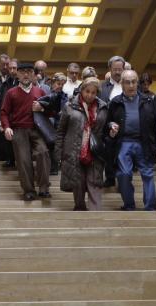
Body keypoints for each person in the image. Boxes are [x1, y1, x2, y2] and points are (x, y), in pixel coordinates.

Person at [106, 70, 156, 210]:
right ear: (122, 84)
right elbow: (108, 121)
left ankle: (150, 207)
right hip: (123, 142)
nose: (131, 85)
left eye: (134, 82)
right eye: (127, 82)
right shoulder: (115, 102)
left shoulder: (149, 101)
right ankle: (129, 205)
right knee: (123, 174)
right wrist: (111, 125)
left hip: (144, 142)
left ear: (137, 83)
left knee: (148, 174)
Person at [1, 61, 52, 201]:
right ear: (17, 74)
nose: (25, 74)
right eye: (22, 72)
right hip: (18, 130)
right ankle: (29, 190)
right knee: (23, 160)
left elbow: (49, 112)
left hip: (36, 129)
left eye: (29, 72)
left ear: (34, 75)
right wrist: (7, 127)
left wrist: (42, 109)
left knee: (43, 153)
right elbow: (4, 112)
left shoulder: (40, 91)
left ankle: (44, 188)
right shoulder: (11, 93)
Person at [55, 77, 108, 211]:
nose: (89, 95)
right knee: (78, 182)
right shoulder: (69, 106)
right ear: (82, 90)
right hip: (74, 150)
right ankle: (80, 209)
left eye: (93, 92)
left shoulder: (103, 108)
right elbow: (60, 131)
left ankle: (95, 214)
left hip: (94, 151)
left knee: (94, 182)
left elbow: (105, 129)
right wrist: (58, 153)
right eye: (87, 91)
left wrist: (111, 128)